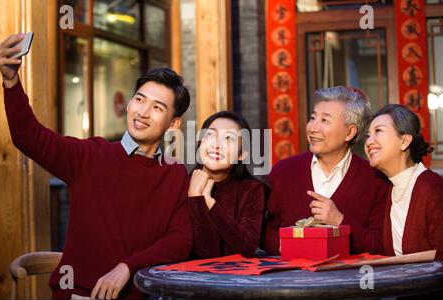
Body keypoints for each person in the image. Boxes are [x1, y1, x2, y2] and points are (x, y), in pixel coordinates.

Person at [0, 34, 193, 300]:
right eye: (139, 99)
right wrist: (10, 81)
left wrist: (127, 266)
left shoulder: (175, 174)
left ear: (173, 124)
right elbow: (28, 136)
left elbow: (181, 240)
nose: (142, 112)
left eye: (157, 107)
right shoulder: (90, 155)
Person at [262, 86, 389, 255]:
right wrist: (287, 247)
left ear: (350, 132)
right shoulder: (283, 172)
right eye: (312, 118)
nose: (313, 128)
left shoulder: (375, 180)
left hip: (349, 279)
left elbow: (379, 245)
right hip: (291, 279)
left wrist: (340, 221)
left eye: (324, 121)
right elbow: (263, 230)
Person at [365, 104, 443, 259]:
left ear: (404, 141)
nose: (368, 142)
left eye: (378, 131)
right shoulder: (388, 188)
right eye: (368, 135)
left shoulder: (433, 188)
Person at [188, 111, 266, 258]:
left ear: (242, 154)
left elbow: (247, 247)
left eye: (228, 138)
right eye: (210, 135)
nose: (216, 145)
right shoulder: (182, 185)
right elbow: (204, 252)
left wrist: (209, 202)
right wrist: (195, 198)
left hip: (235, 279)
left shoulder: (252, 190)